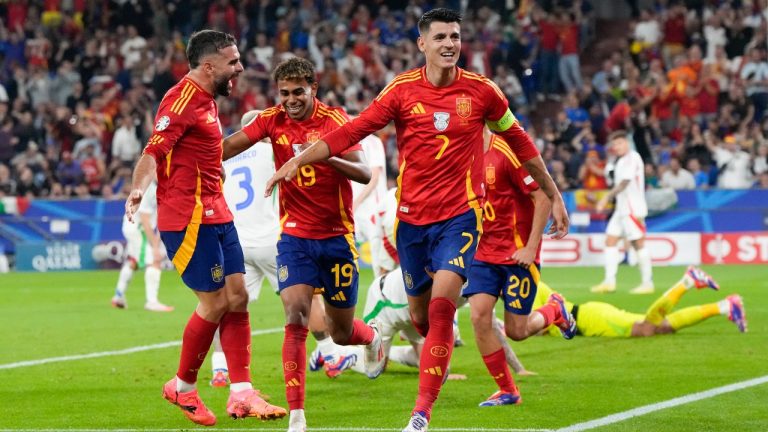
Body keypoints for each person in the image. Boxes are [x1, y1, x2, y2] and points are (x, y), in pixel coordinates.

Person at [266, 9, 569, 432]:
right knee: (423, 319)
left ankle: (421, 414)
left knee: (443, 310)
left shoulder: (483, 93)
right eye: (441, 36)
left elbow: (520, 140)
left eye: (456, 36)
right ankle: (410, 355)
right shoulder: (401, 91)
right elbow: (350, 133)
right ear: (422, 43)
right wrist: (299, 158)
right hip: (411, 224)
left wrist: (553, 194)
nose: (450, 43)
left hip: (460, 218)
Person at [124, 30, 286, 426]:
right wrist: (137, 188)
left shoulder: (208, 102)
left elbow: (209, 153)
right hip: (188, 218)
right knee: (214, 303)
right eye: (233, 62)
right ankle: (181, 387)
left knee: (238, 297)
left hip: (219, 211)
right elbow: (152, 151)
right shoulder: (180, 101)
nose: (240, 68)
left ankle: (242, 393)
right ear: (209, 65)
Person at [221, 57, 380, 432]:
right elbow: (229, 146)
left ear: (313, 88)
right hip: (294, 237)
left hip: (337, 238)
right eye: (285, 93)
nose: (291, 100)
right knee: (296, 317)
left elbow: (364, 171)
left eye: (298, 92)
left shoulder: (335, 120)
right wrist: (187, 152)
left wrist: (321, 154)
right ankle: (297, 416)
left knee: (341, 333)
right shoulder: (273, 119)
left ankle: (371, 338)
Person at [462, 129, 576, 408]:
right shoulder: (461, 155)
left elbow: (542, 198)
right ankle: (507, 390)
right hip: (483, 254)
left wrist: (530, 247)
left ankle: (554, 310)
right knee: (479, 317)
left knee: (517, 330)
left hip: (517, 255)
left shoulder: (507, 152)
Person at [309, 267, 538, 379]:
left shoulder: (478, 279)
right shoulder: (467, 275)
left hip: (416, 312)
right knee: (375, 369)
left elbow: (491, 325)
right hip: (386, 302)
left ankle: (349, 354)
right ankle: (340, 354)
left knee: (428, 361)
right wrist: (444, 371)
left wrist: (519, 369)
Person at [540, 266, 746, 337]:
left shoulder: (535, 288)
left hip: (588, 320)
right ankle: (725, 306)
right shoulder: (529, 286)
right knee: (662, 327)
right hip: (589, 316)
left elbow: (537, 326)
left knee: (646, 329)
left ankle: (688, 280)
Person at [591, 130, 654, 295]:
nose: (617, 147)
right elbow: (614, 180)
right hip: (621, 209)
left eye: (619, 143)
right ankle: (609, 282)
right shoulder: (618, 161)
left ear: (626, 143)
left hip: (633, 208)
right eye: (614, 145)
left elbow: (625, 183)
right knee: (610, 241)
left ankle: (648, 283)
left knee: (638, 243)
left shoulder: (632, 158)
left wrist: (606, 198)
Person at [111, 180, 173, 312]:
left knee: (134, 262)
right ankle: (152, 302)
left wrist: (157, 240)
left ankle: (118, 296)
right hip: (138, 228)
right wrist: (155, 247)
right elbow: (145, 219)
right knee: (154, 262)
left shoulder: (159, 187)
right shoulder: (150, 189)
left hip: (133, 226)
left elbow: (160, 217)